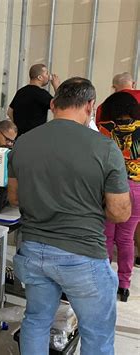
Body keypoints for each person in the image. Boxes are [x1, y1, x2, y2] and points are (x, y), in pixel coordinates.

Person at [8, 77, 131, 354]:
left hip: (33, 251)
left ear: (53, 104)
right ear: (90, 105)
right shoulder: (105, 148)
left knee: (36, 320)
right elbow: (120, 213)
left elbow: (14, 197)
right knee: (96, 333)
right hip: (83, 255)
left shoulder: (23, 143)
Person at [98, 92, 140, 302]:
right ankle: (124, 285)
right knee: (126, 239)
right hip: (138, 190)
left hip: (113, 188)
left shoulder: (106, 130)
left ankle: (104, 281)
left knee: (106, 236)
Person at [7, 63, 60, 136]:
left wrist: (18, 125)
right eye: (47, 73)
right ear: (40, 77)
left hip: (19, 136)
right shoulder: (42, 94)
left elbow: (9, 112)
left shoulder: (21, 91)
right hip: (36, 136)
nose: (49, 76)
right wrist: (56, 86)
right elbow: (60, 105)